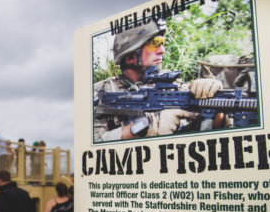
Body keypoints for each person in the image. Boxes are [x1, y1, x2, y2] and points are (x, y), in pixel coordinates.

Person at [94, 19, 222, 143]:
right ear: (130, 57)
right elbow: (92, 142)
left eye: (162, 43)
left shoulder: (174, 87)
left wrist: (213, 100)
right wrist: (147, 127)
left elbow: (214, 128)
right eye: (155, 43)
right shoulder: (101, 92)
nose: (162, 50)